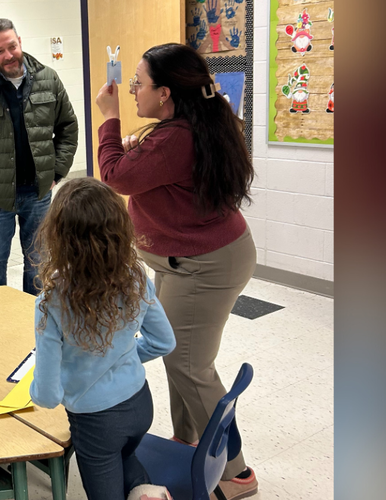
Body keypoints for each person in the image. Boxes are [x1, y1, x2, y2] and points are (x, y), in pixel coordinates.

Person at [95, 42, 259, 500]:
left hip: (204, 265)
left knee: (189, 364)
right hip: (189, 259)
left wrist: (109, 119)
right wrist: (136, 142)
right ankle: (189, 440)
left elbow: (116, 177)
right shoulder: (182, 126)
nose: (130, 91)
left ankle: (237, 472)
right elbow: (150, 165)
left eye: (138, 84)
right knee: (178, 356)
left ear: (165, 92)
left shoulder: (174, 137)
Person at [29, 178, 176, 500]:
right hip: (140, 404)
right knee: (126, 458)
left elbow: (48, 395)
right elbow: (163, 342)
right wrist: (121, 356)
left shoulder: (51, 299)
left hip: (96, 422)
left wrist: (34, 391)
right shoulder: (135, 276)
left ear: (59, 236)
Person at [0, 17, 79, 295]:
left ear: (19, 42)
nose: (8, 55)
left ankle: (34, 320)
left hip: (39, 193)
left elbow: (68, 127)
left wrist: (56, 173)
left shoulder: (48, 79)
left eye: (12, 46)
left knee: (39, 262)